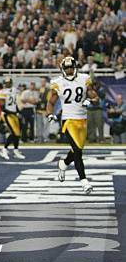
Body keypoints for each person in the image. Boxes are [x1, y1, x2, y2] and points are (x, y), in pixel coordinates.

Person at [46, 56, 99, 194]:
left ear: (75, 67)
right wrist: (50, 114)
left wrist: (91, 100)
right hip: (68, 120)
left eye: (71, 67)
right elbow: (51, 102)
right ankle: (84, 182)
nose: (69, 70)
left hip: (82, 119)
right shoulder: (57, 82)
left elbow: (95, 96)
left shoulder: (84, 79)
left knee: (77, 150)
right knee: (78, 152)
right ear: (63, 69)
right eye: (66, 68)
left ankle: (63, 164)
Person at [0, 77, 25, 160]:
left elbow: (14, 103)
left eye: (9, 82)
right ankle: (4, 149)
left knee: (17, 133)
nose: (8, 84)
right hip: (6, 114)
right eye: (6, 82)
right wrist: (14, 113)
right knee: (14, 132)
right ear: (4, 83)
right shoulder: (1, 92)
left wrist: (18, 112)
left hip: (13, 113)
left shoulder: (14, 90)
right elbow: (3, 108)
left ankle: (16, 150)